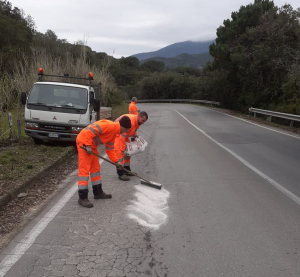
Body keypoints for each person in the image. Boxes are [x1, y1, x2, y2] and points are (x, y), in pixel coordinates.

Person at [76, 117, 131, 208]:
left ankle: (98, 192)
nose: (126, 132)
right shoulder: (109, 126)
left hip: (92, 146)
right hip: (84, 144)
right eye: (126, 130)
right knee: (84, 171)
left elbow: (109, 150)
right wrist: (88, 145)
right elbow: (90, 131)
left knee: (95, 169)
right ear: (123, 127)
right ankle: (82, 197)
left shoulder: (114, 134)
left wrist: (116, 162)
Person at [114, 111, 148, 181]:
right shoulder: (131, 122)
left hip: (123, 135)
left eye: (144, 121)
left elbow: (132, 130)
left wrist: (134, 134)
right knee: (120, 153)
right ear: (139, 116)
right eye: (143, 120)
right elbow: (122, 137)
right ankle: (120, 173)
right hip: (117, 134)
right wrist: (123, 150)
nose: (143, 123)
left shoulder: (136, 122)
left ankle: (127, 170)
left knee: (128, 153)